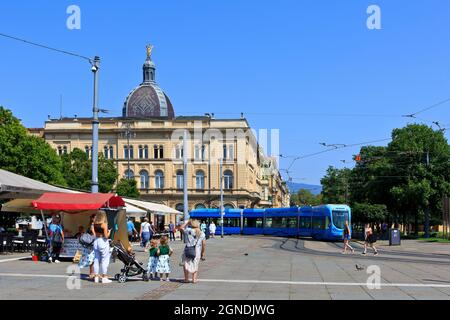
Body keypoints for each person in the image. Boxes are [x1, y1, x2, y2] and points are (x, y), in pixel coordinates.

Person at [180, 219, 206, 284]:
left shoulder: (189, 230)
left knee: (186, 263)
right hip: (197, 251)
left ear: (191, 224)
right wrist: (203, 253)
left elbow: (180, 228)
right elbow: (204, 244)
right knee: (195, 264)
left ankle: (186, 279)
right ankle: (194, 279)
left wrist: (186, 222)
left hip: (188, 249)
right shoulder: (202, 233)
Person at [91, 211, 112, 284]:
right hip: (103, 241)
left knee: (96, 259)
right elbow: (106, 236)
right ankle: (104, 277)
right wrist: (109, 232)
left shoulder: (94, 224)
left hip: (96, 241)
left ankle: (96, 276)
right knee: (105, 259)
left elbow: (94, 234)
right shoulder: (104, 224)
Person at [79, 214, 96, 279]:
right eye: (94, 218)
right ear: (92, 218)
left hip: (91, 244)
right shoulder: (92, 225)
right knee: (92, 259)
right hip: (92, 244)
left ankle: (92, 272)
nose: (95, 219)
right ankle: (92, 273)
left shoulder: (92, 225)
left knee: (92, 259)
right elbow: (94, 235)